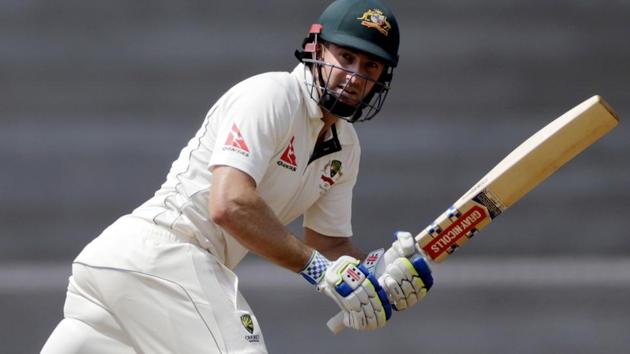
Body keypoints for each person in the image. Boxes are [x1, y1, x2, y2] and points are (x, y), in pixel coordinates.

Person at [41, 0, 433, 353]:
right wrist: (319, 272)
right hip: (166, 256)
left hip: (124, 274)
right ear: (316, 48)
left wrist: (378, 275)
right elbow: (230, 204)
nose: (353, 76)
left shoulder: (345, 146)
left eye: (370, 66)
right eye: (345, 57)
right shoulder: (273, 95)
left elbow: (329, 243)